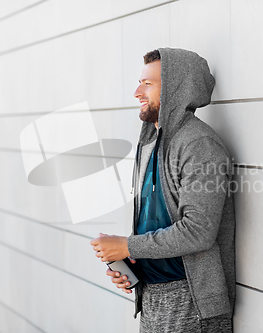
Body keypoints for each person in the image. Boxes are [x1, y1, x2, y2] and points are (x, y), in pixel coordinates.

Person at [90, 47, 236, 333]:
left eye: (147, 84)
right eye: (139, 82)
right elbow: (157, 222)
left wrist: (127, 245)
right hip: (152, 300)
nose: (136, 92)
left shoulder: (199, 145)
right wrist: (133, 263)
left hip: (191, 304)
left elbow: (198, 231)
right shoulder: (150, 144)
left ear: (175, 88)